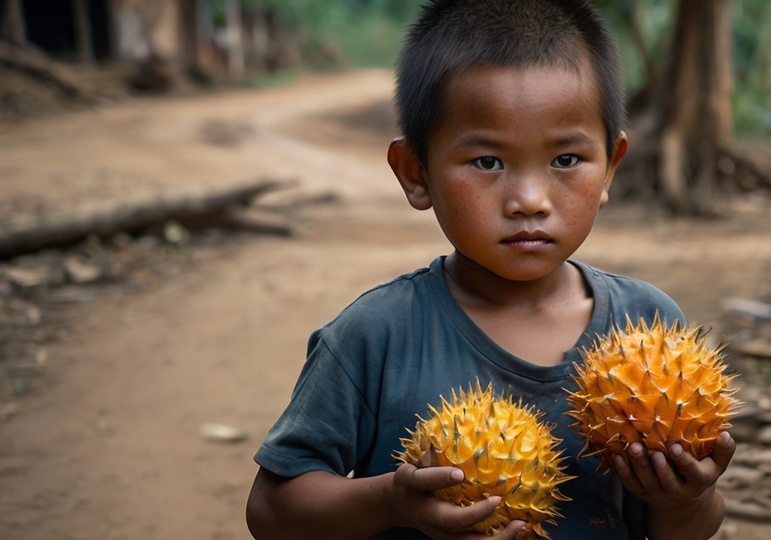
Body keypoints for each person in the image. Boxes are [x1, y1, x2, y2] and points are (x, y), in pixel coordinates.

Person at [245, 1, 736, 538]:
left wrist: (687, 497)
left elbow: (683, 529)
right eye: (487, 162)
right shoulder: (375, 337)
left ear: (611, 167)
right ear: (417, 174)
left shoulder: (651, 332)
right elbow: (271, 511)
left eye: (566, 160)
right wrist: (391, 500)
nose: (529, 199)